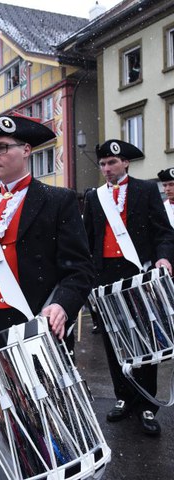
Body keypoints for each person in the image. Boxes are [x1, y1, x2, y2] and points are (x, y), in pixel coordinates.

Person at [0, 114, 94, 349]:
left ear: (26, 150)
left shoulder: (58, 200)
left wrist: (62, 306)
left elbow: (80, 270)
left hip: (39, 321)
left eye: (2, 148)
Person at [83, 139, 174, 436]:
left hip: (139, 271)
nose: (107, 168)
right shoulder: (94, 197)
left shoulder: (146, 190)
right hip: (106, 275)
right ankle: (123, 396)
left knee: (146, 339)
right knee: (114, 340)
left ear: (126, 164)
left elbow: (163, 232)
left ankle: (147, 403)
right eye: (103, 164)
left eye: (112, 163)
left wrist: (163, 258)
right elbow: (89, 239)